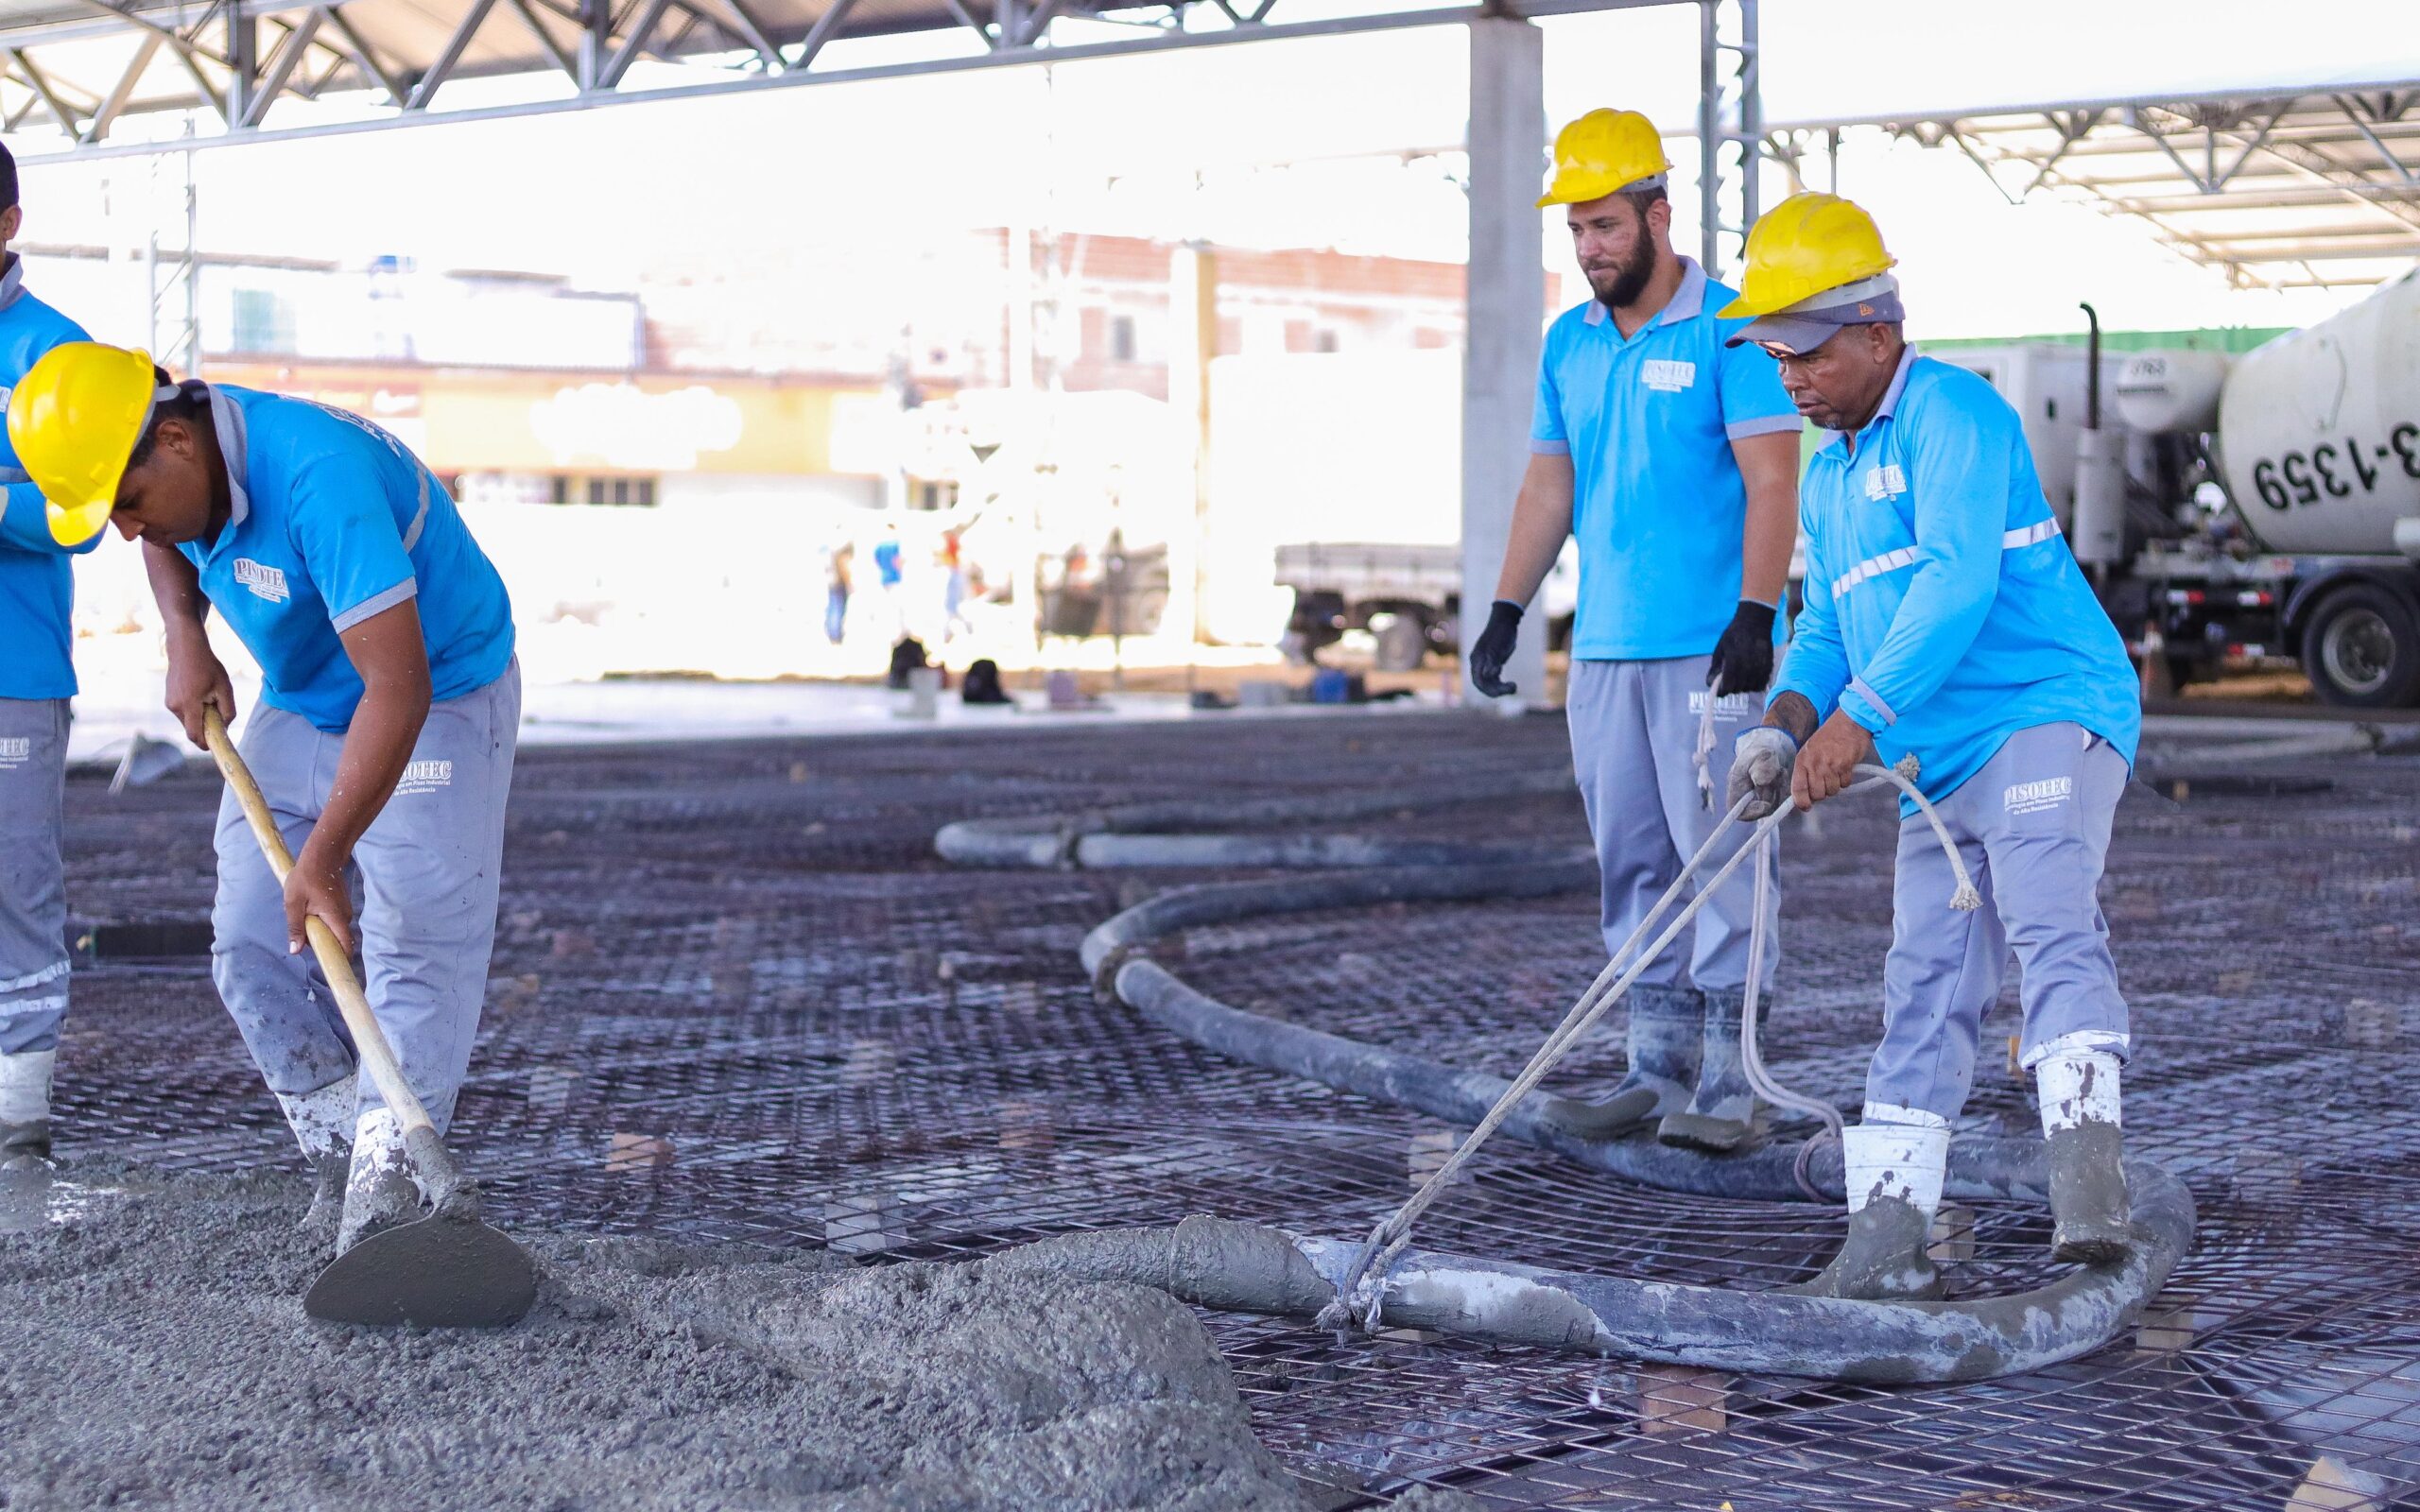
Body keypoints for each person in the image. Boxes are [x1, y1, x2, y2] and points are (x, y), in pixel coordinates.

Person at [9, 342, 522, 1254]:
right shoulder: (180, 468)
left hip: (436, 699)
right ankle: (342, 1149)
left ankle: (391, 1193)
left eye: (126, 503)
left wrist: (324, 858)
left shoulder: (319, 477)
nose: (127, 531)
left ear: (174, 440)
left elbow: (396, 691)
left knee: (417, 935)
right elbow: (169, 539)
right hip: (304, 697)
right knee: (251, 940)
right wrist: (184, 638)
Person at [1720, 193, 2142, 1298]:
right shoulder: (1828, 473)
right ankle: (1889, 1233)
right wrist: (1785, 722)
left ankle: (2090, 1194)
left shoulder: (1957, 414)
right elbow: (1826, 623)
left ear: (1877, 329)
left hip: (2042, 707)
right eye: (1773, 353)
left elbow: (1958, 581)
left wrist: (1856, 716)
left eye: (1807, 349)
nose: (1790, 376)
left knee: (2047, 907)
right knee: (1922, 985)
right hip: (1934, 758)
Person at [1469, 108, 1803, 1152]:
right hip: (1604, 650)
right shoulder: (1569, 342)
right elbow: (1546, 481)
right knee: (1632, 862)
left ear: (1659, 215)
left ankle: (1729, 1081)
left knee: (1725, 859)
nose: (1589, 248)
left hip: (1714, 651)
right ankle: (1652, 1071)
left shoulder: (1734, 327)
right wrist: (1505, 609)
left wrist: (1755, 612)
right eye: (1577, 229)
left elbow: (1772, 477)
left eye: (1606, 224)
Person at [0, 145, 97, 1169]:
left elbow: (83, 513)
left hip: (12, 673)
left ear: (9, 222)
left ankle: (17, 1107)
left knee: (13, 884)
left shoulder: (56, 356)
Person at [824, 538, 853, 645]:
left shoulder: (831, 548)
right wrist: (848, 582)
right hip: (838, 581)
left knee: (833, 606)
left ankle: (833, 633)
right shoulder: (841, 551)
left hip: (832, 581)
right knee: (837, 608)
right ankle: (835, 635)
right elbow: (843, 567)